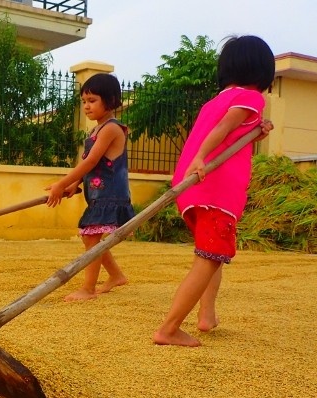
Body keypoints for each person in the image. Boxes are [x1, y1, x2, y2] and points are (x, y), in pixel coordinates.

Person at [153, 35, 276, 347]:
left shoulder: (216, 99)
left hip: (192, 186)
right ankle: (168, 329)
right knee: (208, 257)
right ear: (261, 71)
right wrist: (200, 159)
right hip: (214, 190)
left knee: (213, 253)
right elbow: (220, 130)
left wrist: (255, 131)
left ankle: (207, 316)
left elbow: (229, 135)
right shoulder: (252, 98)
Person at [45, 73, 135, 301]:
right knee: (90, 238)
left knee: (92, 239)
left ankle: (88, 289)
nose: (86, 106)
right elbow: (89, 166)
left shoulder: (111, 129)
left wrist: (61, 183)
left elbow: (91, 162)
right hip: (98, 194)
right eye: (84, 101)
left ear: (111, 100)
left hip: (110, 195)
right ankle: (116, 275)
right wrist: (73, 184)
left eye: (92, 100)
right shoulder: (96, 130)